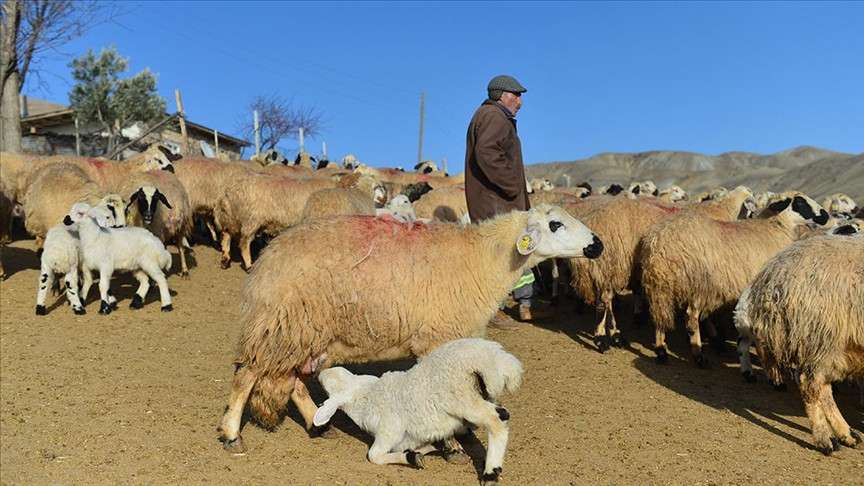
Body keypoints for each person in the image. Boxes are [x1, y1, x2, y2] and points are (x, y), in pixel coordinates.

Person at [464, 74, 536, 326]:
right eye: (516, 95)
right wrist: (511, 185)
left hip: (496, 200)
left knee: (511, 253)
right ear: (501, 95)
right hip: (497, 202)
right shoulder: (494, 117)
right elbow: (487, 153)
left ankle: (516, 305)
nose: (520, 101)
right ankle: (493, 310)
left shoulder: (494, 117)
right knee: (500, 256)